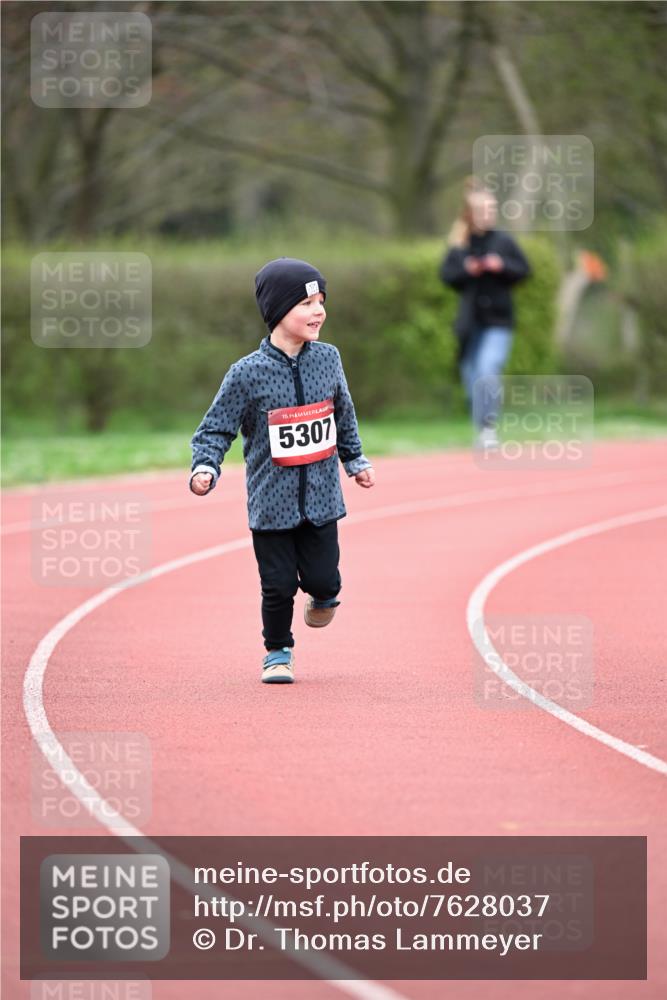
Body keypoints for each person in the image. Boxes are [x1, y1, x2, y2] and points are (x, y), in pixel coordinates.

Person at [189, 257, 375, 684]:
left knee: (324, 579)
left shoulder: (328, 359)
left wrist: (355, 459)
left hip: (323, 500)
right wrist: (205, 465)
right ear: (278, 311)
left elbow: (343, 414)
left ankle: (325, 596)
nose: (318, 311)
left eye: (321, 301)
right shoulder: (246, 374)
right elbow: (216, 427)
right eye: (307, 302)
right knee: (276, 586)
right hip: (271, 504)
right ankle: (277, 651)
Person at [440, 179, 531, 449]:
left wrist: (500, 266)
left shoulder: (503, 241)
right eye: (483, 210)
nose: (489, 214)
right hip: (470, 323)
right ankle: (482, 427)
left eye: (492, 209)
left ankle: (488, 428)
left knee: (487, 368)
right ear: (471, 213)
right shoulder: (460, 243)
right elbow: (447, 275)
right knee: (471, 378)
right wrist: (468, 268)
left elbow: (524, 270)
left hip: (499, 321)